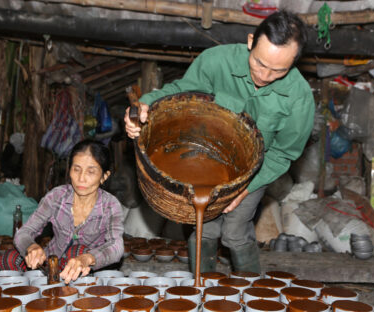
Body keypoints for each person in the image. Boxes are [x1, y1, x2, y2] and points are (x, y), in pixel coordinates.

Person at [124, 11, 315, 274]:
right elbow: (181, 92)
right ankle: (203, 290)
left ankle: (252, 293)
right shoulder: (216, 61)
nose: (265, 75)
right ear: (250, 41)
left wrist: (246, 190)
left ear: (294, 63)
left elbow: (282, 154)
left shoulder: (299, 98)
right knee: (204, 229)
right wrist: (145, 105)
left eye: (278, 70)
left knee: (234, 233)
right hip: (207, 160)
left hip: (255, 171)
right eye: (259, 63)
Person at [1, 139, 124, 283]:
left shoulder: (110, 205)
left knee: (77, 251)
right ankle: (26, 299)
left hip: (86, 271)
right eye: (76, 169)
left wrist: (87, 258)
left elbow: (116, 247)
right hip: (51, 265)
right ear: (69, 170)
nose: (81, 178)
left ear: (104, 176)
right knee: (10, 258)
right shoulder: (56, 197)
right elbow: (23, 232)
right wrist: (31, 247)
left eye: (91, 172)